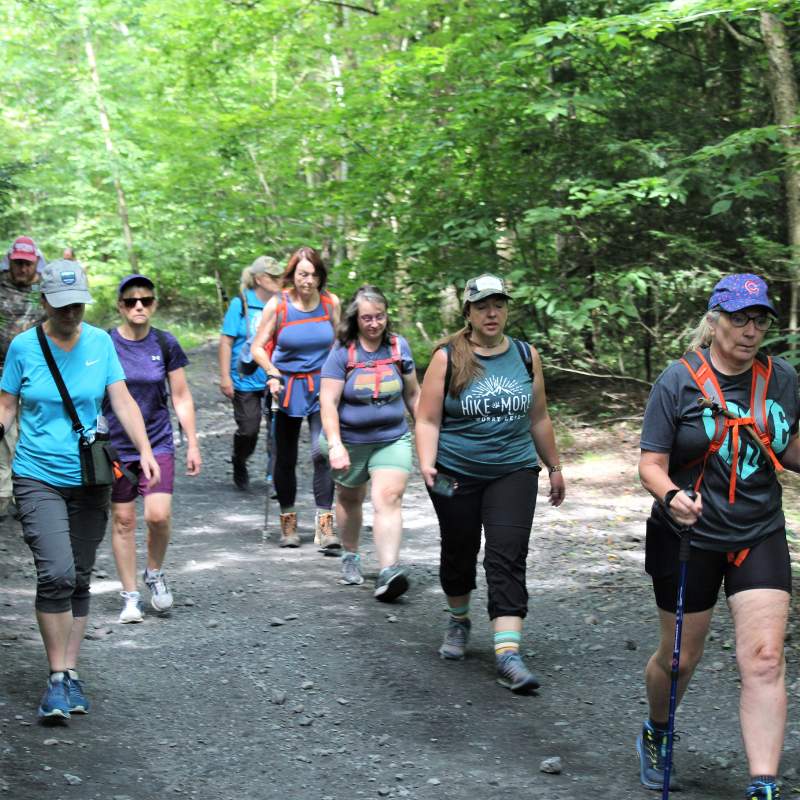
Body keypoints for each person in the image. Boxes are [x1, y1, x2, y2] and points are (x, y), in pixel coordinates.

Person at [637, 274, 799, 800]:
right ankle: (658, 729)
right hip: (688, 536)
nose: (751, 331)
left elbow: (789, 446)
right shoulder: (677, 380)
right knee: (680, 656)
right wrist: (670, 497)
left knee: (765, 657)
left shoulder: (782, 378)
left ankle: (763, 784)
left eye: (760, 320)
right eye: (739, 319)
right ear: (714, 320)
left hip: (758, 530)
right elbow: (651, 465)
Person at [0, 260, 159, 720]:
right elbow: (7, 403)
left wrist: (144, 449)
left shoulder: (100, 342)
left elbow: (121, 398)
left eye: (78, 304)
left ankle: (71, 673)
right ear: (45, 301)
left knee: (80, 576)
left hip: (90, 477)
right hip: (38, 475)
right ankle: (54, 678)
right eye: (63, 305)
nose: (72, 312)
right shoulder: (24, 347)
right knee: (56, 573)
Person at [415, 273, 565, 693]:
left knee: (507, 554)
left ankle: (508, 653)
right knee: (459, 549)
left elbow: (539, 417)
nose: (492, 312)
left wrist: (553, 466)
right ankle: (459, 618)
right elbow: (427, 419)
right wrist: (427, 463)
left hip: (513, 470)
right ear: (468, 312)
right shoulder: (448, 357)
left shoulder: (525, 355)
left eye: (498, 304)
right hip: (454, 473)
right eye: (482, 306)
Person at [105, 275, 202, 624]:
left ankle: (154, 572)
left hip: (158, 441)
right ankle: (130, 596)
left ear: (154, 304)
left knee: (157, 516)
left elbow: (180, 395)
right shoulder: (105, 344)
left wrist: (192, 442)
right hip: (116, 447)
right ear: (120, 306)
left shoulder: (164, 343)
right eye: (131, 301)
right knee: (123, 519)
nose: (139, 306)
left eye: (145, 300)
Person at [319, 285, 420, 600]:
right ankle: (350, 554)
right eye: (367, 318)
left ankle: (389, 570)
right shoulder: (342, 352)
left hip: (392, 437)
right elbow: (327, 402)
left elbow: (413, 394)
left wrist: (428, 433)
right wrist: (335, 444)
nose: (374, 323)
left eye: (379, 316)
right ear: (356, 319)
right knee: (349, 498)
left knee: (388, 497)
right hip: (349, 440)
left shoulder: (398, 347)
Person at [250, 246, 341, 549]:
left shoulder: (330, 304)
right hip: (286, 387)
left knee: (322, 452)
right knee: (285, 457)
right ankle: (288, 524)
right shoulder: (278, 305)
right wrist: (272, 373)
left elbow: (340, 345)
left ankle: (325, 528)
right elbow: (258, 347)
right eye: (303, 273)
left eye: (314, 274)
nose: (308, 280)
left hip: (322, 387)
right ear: (293, 275)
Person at [219, 256, 284, 490]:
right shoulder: (241, 304)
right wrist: (225, 377)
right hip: (244, 377)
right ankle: (240, 459)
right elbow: (226, 342)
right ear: (258, 279)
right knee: (249, 429)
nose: (278, 280)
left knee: (277, 429)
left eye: (279, 275)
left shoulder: (282, 303)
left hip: (273, 375)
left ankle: (275, 474)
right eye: (272, 276)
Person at [0, 237, 45, 517]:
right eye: (17, 262)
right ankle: (4, 496)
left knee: (29, 433)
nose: (22, 268)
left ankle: (27, 494)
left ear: (36, 262)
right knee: (5, 433)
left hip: (34, 374)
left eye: (27, 263)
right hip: (1, 371)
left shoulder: (45, 288)